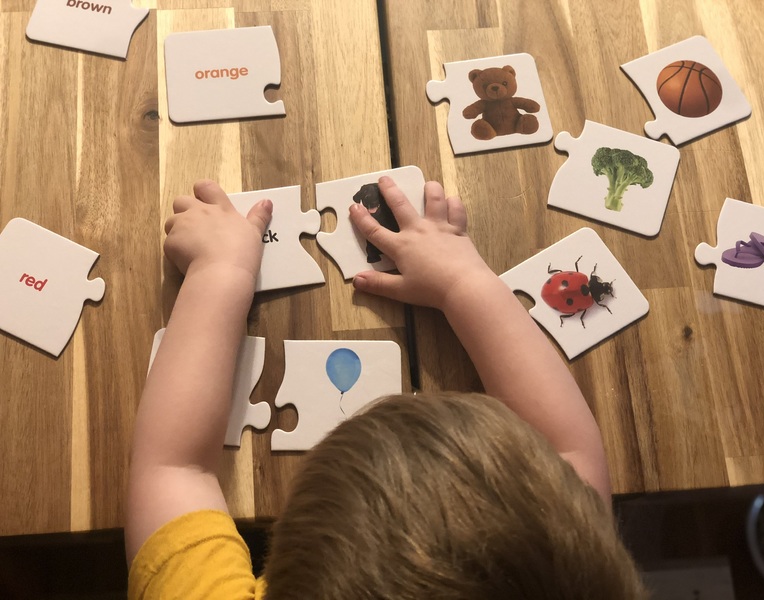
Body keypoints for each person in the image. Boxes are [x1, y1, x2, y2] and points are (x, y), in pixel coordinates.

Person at [125, 177, 648, 599]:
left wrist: (220, 270)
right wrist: (463, 280)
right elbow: (566, 449)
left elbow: (172, 466)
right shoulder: (566, 568)